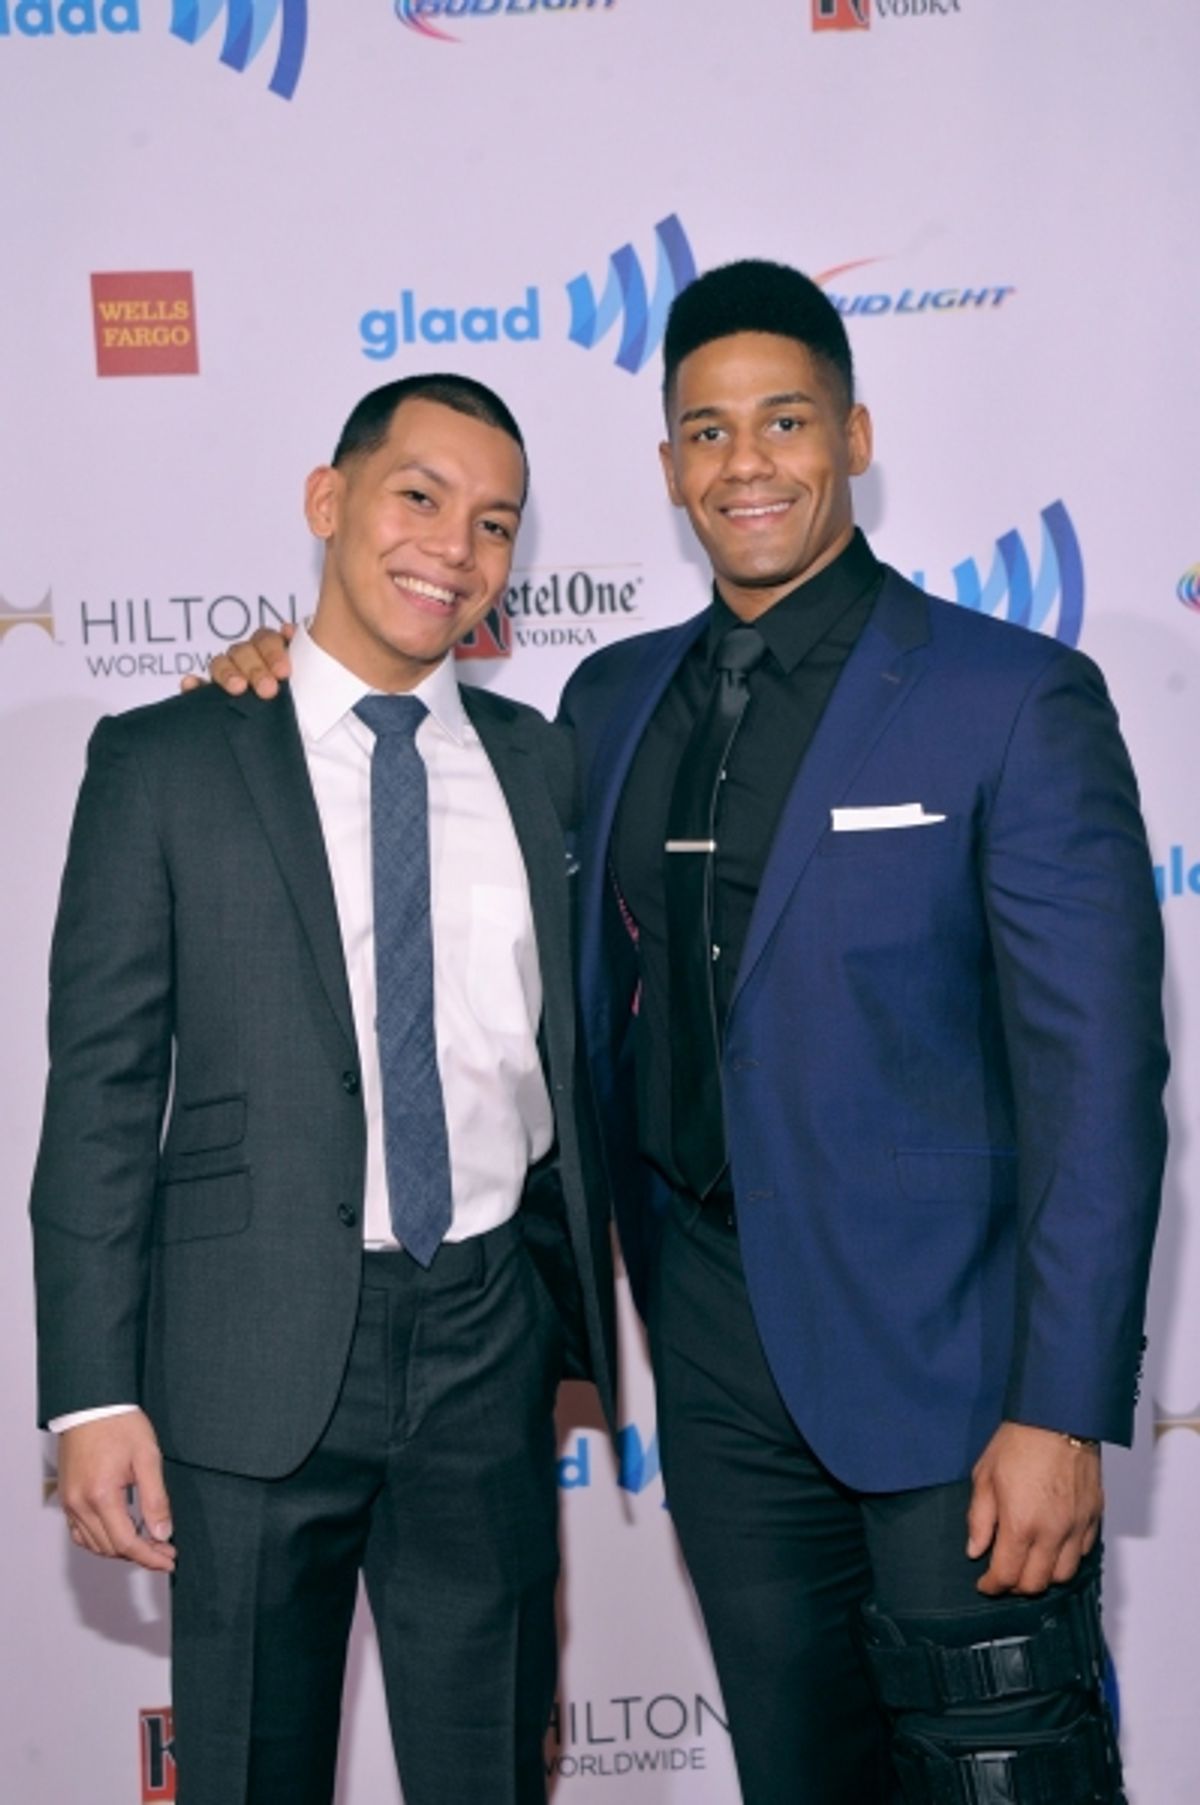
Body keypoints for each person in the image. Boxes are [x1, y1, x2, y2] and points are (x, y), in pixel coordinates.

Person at [206, 262, 1167, 1805]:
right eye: (706, 433)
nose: (747, 463)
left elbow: (1102, 1087)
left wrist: (1059, 1407)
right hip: (713, 1369)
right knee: (799, 1771)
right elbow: (407, 748)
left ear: (856, 435)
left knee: (1007, 1773)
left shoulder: (1014, 698)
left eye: (784, 420)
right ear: (667, 468)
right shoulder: (606, 702)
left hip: (956, 1381)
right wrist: (273, 672)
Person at [30, 373, 616, 1805]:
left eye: (493, 522)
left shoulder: (547, 767)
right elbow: (101, 1088)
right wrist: (90, 1393)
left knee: (487, 1769)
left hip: (488, 1338)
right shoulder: (166, 756)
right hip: (250, 1353)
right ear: (328, 500)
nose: (453, 548)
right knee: (245, 1774)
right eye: (419, 496)